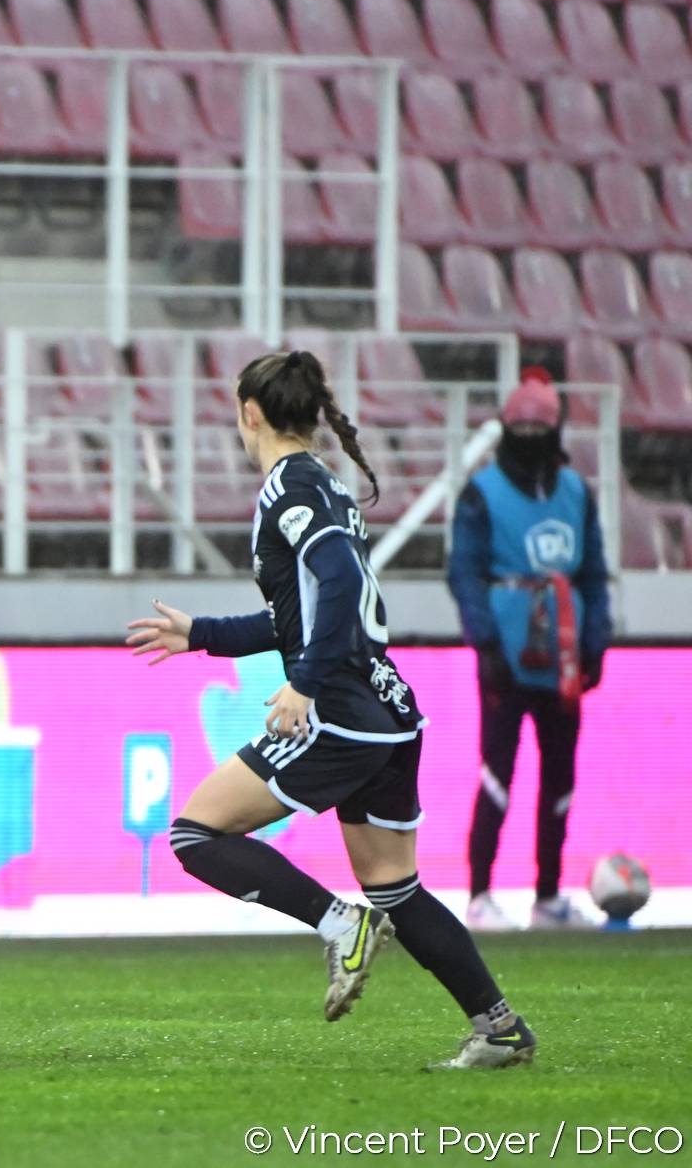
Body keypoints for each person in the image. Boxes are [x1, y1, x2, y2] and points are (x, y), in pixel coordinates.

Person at [125, 349, 536, 1071]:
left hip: (340, 711)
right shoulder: (323, 484)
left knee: (194, 834)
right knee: (397, 888)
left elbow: (339, 582)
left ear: (250, 412)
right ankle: (499, 1028)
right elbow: (300, 614)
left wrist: (308, 683)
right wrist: (204, 634)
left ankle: (338, 922)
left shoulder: (289, 486)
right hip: (386, 708)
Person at [448, 368, 611, 932]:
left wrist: (595, 644)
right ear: (505, 429)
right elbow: (464, 573)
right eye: (522, 428)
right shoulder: (482, 492)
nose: (531, 438)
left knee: (560, 775)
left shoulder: (576, 494)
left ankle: (548, 896)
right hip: (507, 654)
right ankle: (479, 894)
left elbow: (593, 573)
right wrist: (486, 643)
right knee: (497, 771)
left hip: (562, 657)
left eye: (540, 429)